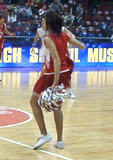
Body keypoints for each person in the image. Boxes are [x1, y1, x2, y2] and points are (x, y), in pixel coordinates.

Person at [31, 10, 86, 150]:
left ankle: (44, 134)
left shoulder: (48, 39)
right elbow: (82, 46)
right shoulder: (65, 35)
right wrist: (69, 41)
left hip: (52, 74)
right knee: (57, 106)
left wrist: (54, 82)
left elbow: (56, 60)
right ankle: (60, 140)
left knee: (33, 101)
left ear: (49, 23)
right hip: (65, 73)